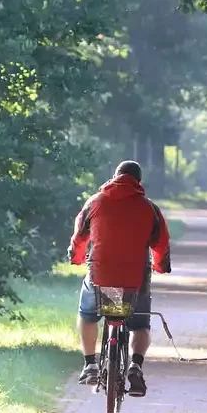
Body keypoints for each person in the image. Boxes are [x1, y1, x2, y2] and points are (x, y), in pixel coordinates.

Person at [67, 160, 171, 397]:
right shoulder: (149, 208)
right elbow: (161, 243)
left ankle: (90, 364)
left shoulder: (95, 202)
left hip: (101, 277)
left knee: (88, 315)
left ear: (114, 177)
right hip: (135, 282)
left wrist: (76, 258)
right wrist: (160, 266)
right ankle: (135, 365)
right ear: (139, 182)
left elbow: (80, 236)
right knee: (141, 325)